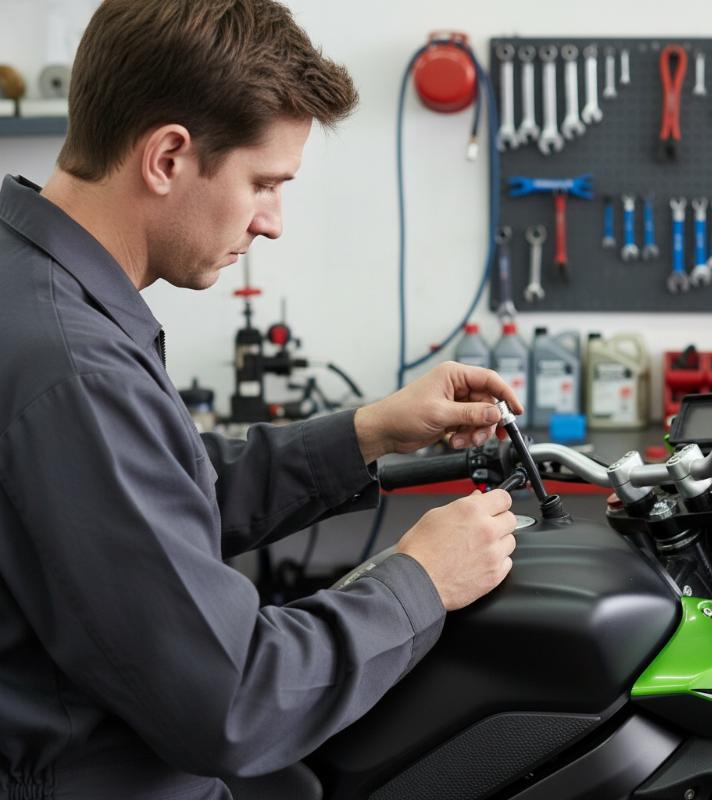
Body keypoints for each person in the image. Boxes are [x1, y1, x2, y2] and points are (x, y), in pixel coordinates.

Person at [0, 1, 521, 798]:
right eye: (264, 183)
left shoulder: (30, 281)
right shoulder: (76, 368)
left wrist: (367, 431)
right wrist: (421, 578)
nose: (272, 222)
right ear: (167, 157)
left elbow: (154, 493)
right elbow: (234, 700)